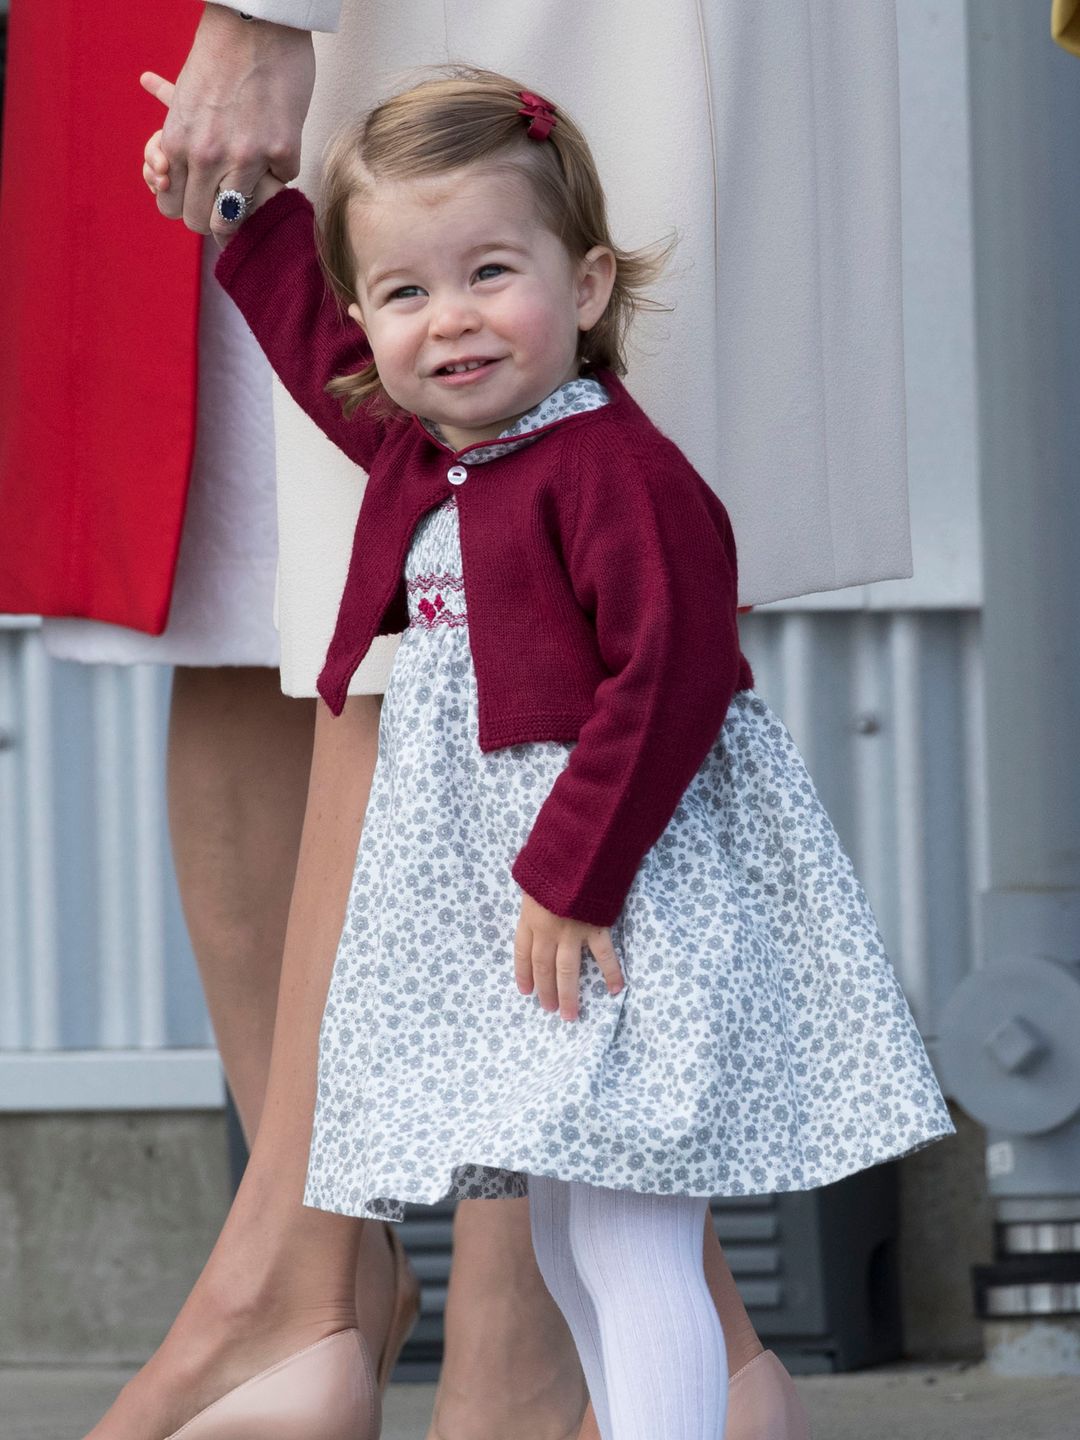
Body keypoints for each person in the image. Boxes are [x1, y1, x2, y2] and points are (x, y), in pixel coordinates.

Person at [132, 67, 953, 1440]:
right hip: (548, 907)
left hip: (612, 897)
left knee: (628, 1245)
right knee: (574, 1242)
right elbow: (316, 350)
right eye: (404, 295)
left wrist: (574, 875)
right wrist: (240, 217)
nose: (447, 320)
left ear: (581, 288)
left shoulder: (609, 472)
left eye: (490, 274)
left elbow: (676, 675)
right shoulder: (449, 454)